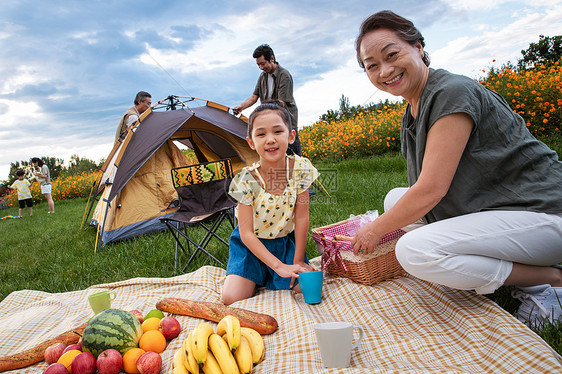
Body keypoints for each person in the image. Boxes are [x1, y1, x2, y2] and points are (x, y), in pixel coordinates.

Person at [351, 10, 562, 327]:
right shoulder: (414, 109)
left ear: (419, 46)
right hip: (502, 205)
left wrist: (374, 229)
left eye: (392, 54)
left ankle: (546, 282)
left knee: (414, 252)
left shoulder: (450, 93)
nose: (385, 70)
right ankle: (503, 271)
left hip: (545, 212)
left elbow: (432, 189)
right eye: (372, 66)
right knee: (396, 200)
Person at [221, 100, 319, 305]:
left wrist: (298, 260)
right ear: (251, 142)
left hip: (284, 243)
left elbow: (301, 218)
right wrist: (278, 266)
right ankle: (257, 274)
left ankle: (268, 276)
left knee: (303, 288)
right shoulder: (246, 180)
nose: (270, 140)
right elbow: (246, 233)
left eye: (277, 131)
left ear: (291, 136)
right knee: (232, 298)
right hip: (250, 246)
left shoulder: (300, 168)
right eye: (261, 134)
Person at [233, 44, 302, 156]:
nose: (261, 67)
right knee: (275, 158)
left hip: (286, 124)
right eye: (258, 65)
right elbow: (254, 97)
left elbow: (281, 103)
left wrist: (261, 112)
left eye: (262, 64)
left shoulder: (284, 75)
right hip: (270, 124)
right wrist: (241, 107)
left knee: (292, 157)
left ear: (271, 59)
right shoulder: (262, 77)